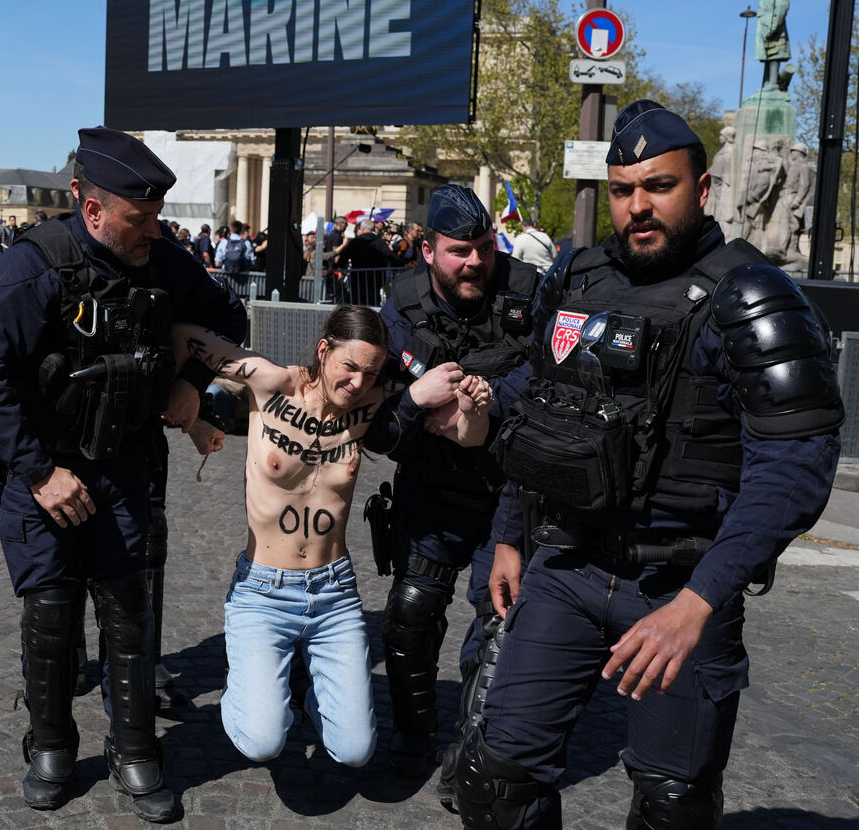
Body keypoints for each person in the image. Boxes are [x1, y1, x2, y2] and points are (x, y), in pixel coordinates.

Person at [452, 100, 844, 829]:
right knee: (494, 782)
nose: (638, 206)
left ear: (702, 189)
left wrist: (700, 602)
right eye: (623, 190)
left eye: (659, 186)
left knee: (672, 809)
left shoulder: (750, 294)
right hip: (566, 565)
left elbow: (796, 463)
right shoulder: (578, 279)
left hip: (679, 583)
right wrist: (509, 533)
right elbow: (542, 413)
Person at [0, 127, 246, 823]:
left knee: (128, 608)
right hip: (43, 467)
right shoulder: (33, 269)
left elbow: (226, 316)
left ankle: (134, 747)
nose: (155, 231)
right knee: (52, 611)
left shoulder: (162, 260)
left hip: (124, 466)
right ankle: (52, 746)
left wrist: (191, 382)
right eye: (140, 218)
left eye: (157, 217)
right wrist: (40, 472)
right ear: (92, 210)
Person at [173, 306, 492, 770]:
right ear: (324, 350)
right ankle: (248, 684)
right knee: (262, 741)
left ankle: (306, 695)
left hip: (334, 593)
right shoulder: (271, 383)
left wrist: (471, 409)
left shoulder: (374, 402)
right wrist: (189, 402)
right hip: (263, 590)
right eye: (349, 366)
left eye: (371, 372)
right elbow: (183, 331)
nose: (358, 383)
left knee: (354, 751)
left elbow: (468, 437)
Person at [373, 184, 541, 786]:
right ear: (428, 251)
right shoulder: (401, 304)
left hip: (507, 493)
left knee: (500, 627)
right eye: (459, 251)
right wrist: (418, 404)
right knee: (410, 615)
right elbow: (378, 402)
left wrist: (491, 402)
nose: (475, 262)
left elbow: (552, 368)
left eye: (484, 248)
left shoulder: (528, 290)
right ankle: (413, 732)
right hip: (431, 488)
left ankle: (473, 753)